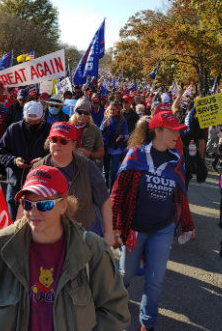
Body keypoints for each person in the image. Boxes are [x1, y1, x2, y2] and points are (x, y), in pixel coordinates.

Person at [0, 165, 130, 330]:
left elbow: (114, 311)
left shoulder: (92, 250)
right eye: (27, 204)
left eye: (44, 205)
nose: (33, 212)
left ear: (63, 205)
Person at [111, 111, 195, 331]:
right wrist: (113, 227)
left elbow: (181, 195)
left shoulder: (177, 160)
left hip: (163, 229)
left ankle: (147, 324)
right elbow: (117, 194)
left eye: (179, 130)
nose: (178, 134)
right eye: (173, 130)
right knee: (125, 276)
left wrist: (188, 225)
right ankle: (114, 309)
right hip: (134, 229)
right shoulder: (135, 154)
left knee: (156, 281)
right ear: (158, 130)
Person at [33, 122, 114, 245]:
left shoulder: (88, 167)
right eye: (54, 140)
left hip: (85, 234)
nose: (57, 144)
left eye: (63, 141)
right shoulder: (38, 169)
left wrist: (109, 233)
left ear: (73, 144)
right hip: (50, 236)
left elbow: (104, 200)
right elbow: (25, 204)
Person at [0, 101, 51, 220]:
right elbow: (1, 152)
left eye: (36, 123)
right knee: (13, 224)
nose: (32, 125)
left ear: (42, 118)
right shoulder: (14, 129)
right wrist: (14, 160)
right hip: (16, 183)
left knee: (36, 224)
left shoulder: (48, 130)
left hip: (40, 185)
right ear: (24, 117)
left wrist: (43, 160)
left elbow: (56, 154)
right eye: (29, 122)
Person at [101, 101, 128, 188]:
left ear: (118, 110)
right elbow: (99, 132)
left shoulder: (122, 120)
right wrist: (103, 127)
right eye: (111, 109)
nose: (112, 111)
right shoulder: (105, 118)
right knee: (105, 169)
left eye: (114, 109)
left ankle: (112, 187)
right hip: (106, 146)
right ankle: (105, 186)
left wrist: (121, 136)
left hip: (117, 147)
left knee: (113, 170)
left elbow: (126, 135)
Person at [69, 98, 104, 162]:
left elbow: (101, 152)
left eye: (86, 113)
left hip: (87, 166)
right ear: (75, 112)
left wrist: (90, 154)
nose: (83, 115)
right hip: (69, 166)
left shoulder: (95, 130)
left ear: (89, 114)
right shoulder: (66, 127)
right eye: (80, 112)